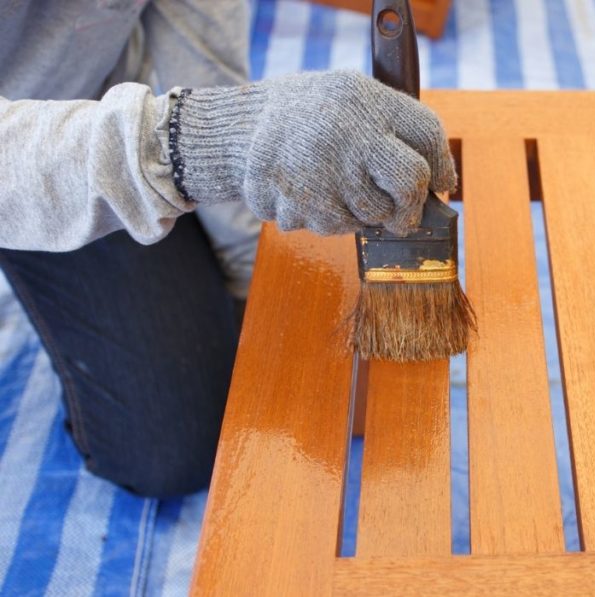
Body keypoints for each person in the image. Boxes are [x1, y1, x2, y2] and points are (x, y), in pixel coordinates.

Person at [0, 0, 457, 497]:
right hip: (25, 156)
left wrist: (246, 265)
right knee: (165, 456)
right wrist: (186, 145)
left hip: (99, 113)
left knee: (208, 419)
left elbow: (200, 44)